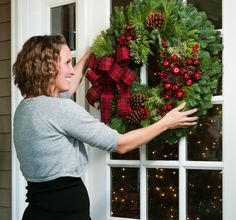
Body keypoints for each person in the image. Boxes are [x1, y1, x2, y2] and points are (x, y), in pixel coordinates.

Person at [12, 35, 198, 220]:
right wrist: (166, 122)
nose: (71, 71)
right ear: (48, 68)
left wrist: (89, 54)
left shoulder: (26, 108)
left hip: (36, 211)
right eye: (67, 63)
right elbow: (121, 144)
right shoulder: (59, 109)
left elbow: (68, 87)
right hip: (65, 212)